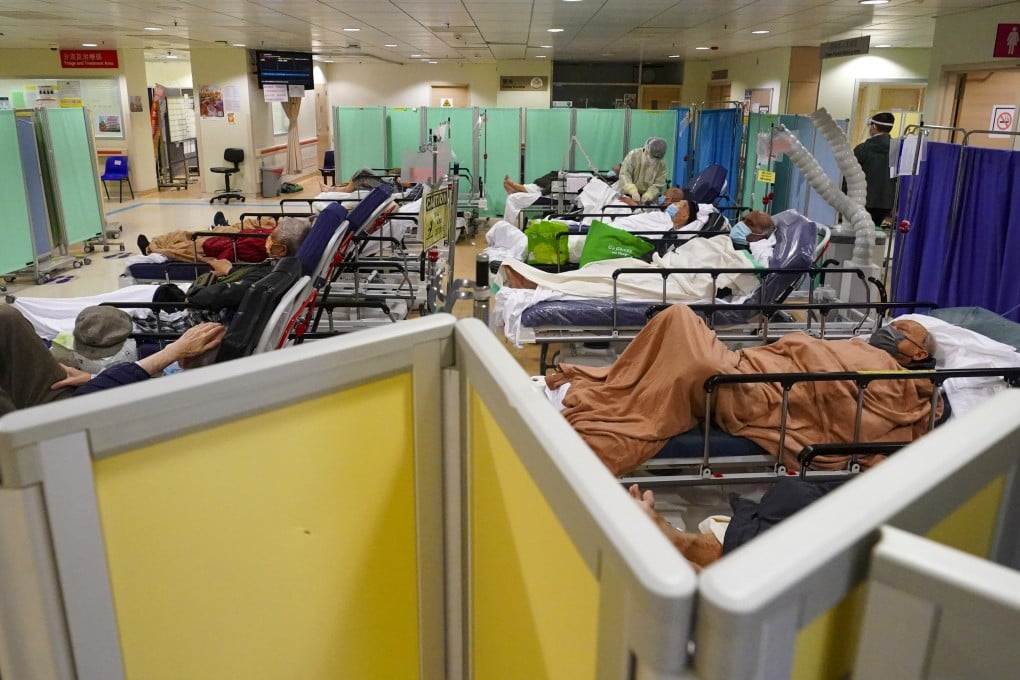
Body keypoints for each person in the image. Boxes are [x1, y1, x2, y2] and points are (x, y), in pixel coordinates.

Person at [547, 304, 939, 475]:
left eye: (904, 333)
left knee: (696, 354)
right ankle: (622, 385)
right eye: (895, 325)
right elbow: (798, 348)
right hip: (752, 367)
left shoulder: (900, 379)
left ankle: (625, 392)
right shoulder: (859, 346)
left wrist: (812, 360)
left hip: (751, 390)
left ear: (918, 352)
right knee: (676, 318)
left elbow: (858, 415)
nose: (893, 330)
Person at [0, 304, 225, 418]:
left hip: (70, 415)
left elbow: (94, 398)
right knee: (6, 318)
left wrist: (171, 352)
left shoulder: (180, 396)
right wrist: (93, 378)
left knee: (6, 319)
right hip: (89, 396)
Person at [134, 211, 288, 264]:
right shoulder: (279, 237)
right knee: (247, 224)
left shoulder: (258, 249)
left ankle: (151, 249)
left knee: (180, 240)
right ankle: (220, 226)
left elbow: (225, 257)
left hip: (218, 244)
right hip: (238, 235)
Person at [854, 112, 897, 226]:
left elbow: (850, 175)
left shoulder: (863, 149)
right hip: (886, 203)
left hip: (863, 201)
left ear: (874, 126)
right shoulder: (897, 151)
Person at [618, 137, 668, 204]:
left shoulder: (661, 164)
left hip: (647, 199)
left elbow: (658, 184)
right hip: (627, 194)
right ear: (646, 149)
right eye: (652, 156)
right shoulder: (634, 155)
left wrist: (649, 195)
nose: (654, 160)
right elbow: (625, 175)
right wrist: (632, 190)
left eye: (657, 158)